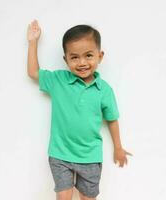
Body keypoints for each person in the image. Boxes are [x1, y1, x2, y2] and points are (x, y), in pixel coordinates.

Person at [26, 19, 132, 200]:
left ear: (100, 56)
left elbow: (112, 119)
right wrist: (33, 42)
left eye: (88, 55)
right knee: (63, 197)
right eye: (74, 57)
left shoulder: (104, 90)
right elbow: (34, 73)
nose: (82, 62)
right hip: (60, 154)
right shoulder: (58, 80)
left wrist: (118, 147)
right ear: (65, 59)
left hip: (90, 157)